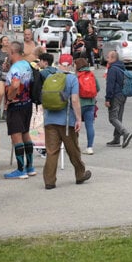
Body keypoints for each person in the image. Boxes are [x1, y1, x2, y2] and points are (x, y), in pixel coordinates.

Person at [42, 60, 90, 189]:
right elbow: (74, 100)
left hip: (50, 120)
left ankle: (49, 181)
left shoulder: (49, 77)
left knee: (51, 151)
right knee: (73, 149)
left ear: (58, 65)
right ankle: (80, 174)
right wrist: (79, 119)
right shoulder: (72, 79)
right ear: (71, 66)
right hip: (67, 121)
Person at [3, 41, 37, 179]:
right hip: (27, 103)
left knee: (16, 136)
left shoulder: (16, 68)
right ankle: (30, 166)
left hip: (16, 105)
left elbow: (16, 84)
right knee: (25, 134)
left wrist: (10, 98)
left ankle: (20, 169)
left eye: (8, 52)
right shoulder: (26, 65)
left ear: (12, 51)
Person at [103, 49, 132, 148]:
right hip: (123, 95)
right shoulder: (122, 68)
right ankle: (116, 139)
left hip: (115, 95)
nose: (107, 59)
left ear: (113, 58)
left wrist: (108, 99)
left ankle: (125, 133)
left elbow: (110, 85)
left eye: (108, 57)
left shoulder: (112, 69)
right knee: (118, 117)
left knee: (112, 118)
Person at [73, 57, 99, 154]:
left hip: (80, 105)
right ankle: (89, 147)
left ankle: (75, 147)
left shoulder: (76, 76)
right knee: (89, 125)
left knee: (76, 125)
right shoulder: (91, 75)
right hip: (91, 104)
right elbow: (98, 88)